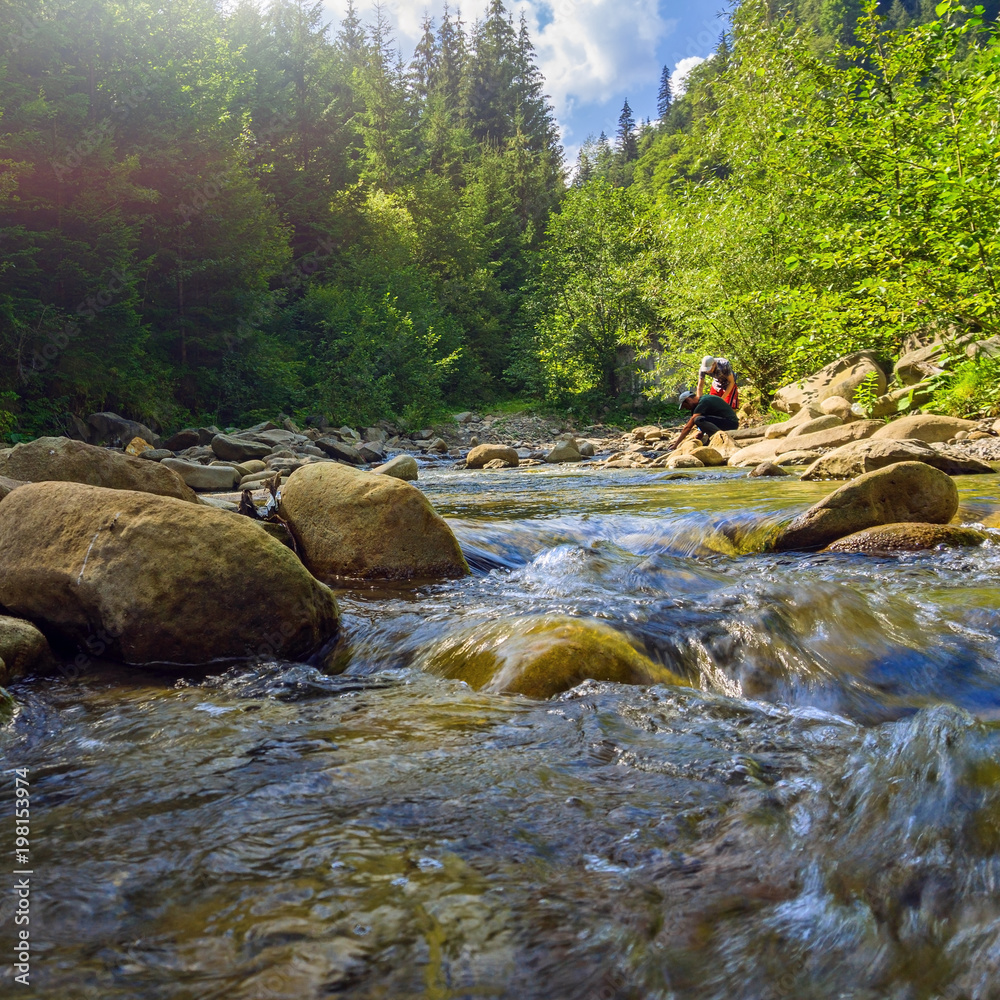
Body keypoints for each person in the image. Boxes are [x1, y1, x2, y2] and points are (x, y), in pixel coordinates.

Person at [668, 390, 739, 449]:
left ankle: (719, 437)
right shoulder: (699, 404)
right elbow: (708, 418)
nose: (686, 408)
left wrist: (676, 445)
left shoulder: (704, 402)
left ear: (688, 400)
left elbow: (688, 427)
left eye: (685, 405)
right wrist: (701, 432)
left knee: (697, 419)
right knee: (698, 419)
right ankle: (713, 438)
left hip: (731, 423)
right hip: (723, 421)